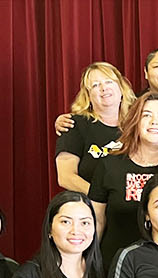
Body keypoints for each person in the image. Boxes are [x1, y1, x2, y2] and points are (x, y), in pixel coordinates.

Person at [87, 92, 158, 271]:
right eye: (146, 115)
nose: (154, 121)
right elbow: (96, 221)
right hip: (114, 266)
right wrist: (87, 263)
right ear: (136, 123)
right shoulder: (109, 165)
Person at [56, 49, 158, 138]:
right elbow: (99, 119)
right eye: (157, 66)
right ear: (145, 73)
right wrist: (65, 121)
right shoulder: (130, 105)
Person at [55, 62, 135, 196]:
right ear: (88, 96)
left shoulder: (138, 124)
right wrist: (101, 198)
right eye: (95, 85)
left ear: (121, 88)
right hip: (89, 206)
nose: (103, 88)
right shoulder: (74, 125)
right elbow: (65, 177)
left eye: (109, 82)